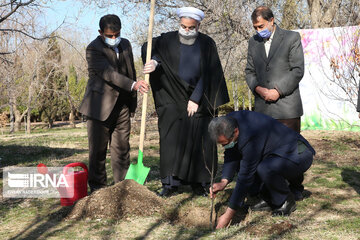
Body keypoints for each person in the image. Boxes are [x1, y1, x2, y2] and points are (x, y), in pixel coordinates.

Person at [142, 7, 229, 197]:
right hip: (173, 98)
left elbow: (209, 74)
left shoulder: (207, 44)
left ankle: (201, 182)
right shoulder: (166, 40)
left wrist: (195, 99)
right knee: (171, 139)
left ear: (198, 25)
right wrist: (155, 62)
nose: (186, 31)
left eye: (191, 28)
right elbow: (152, 50)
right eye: (183, 26)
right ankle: (170, 183)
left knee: (201, 141)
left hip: (199, 98)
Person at [208, 111, 315, 229]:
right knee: (257, 168)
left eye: (225, 143)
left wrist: (228, 215)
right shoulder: (229, 123)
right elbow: (231, 152)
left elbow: (245, 177)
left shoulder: (249, 135)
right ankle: (270, 197)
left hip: (298, 154)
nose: (224, 147)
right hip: (276, 153)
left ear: (236, 132)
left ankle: (285, 200)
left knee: (265, 168)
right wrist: (224, 181)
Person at [79, 14, 149, 192]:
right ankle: (98, 190)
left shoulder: (125, 44)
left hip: (122, 106)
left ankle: (122, 188)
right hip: (99, 107)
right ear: (100, 32)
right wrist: (133, 85)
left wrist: (132, 100)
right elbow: (108, 74)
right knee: (98, 152)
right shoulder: (93, 49)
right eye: (109, 36)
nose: (114, 39)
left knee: (122, 149)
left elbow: (130, 70)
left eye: (116, 34)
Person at [245, 6, 305, 133]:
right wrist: (257, 88)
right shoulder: (253, 42)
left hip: (287, 111)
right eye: (255, 27)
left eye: (261, 26)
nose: (258, 30)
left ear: (271, 20)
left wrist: (278, 91)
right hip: (263, 111)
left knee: (289, 151)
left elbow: (297, 70)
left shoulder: (291, 38)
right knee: (265, 152)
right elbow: (249, 71)